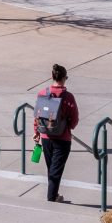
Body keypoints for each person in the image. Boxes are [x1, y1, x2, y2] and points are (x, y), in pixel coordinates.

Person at [32, 62, 80, 202]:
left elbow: (37, 115)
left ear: (52, 77)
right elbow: (74, 120)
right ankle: (52, 197)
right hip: (62, 138)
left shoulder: (42, 93)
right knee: (56, 169)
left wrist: (36, 131)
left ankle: (54, 194)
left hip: (46, 136)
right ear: (64, 78)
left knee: (51, 168)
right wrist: (68, 126)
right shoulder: (68, 97)